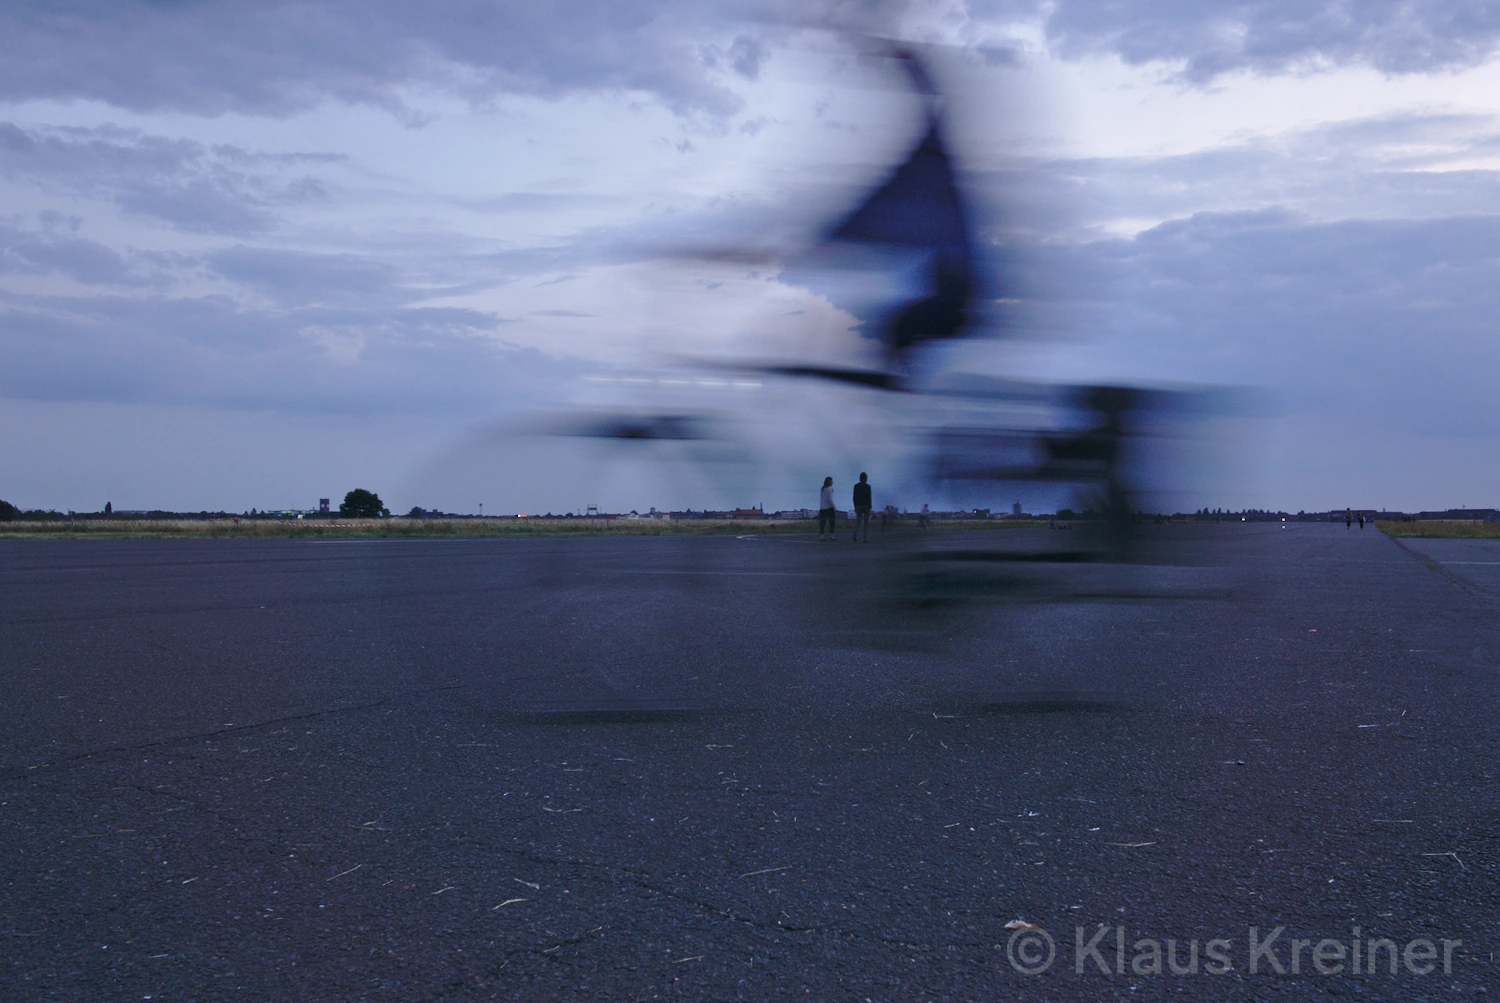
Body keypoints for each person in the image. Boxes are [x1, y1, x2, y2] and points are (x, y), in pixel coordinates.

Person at [852, 472, 873, 542]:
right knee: (866, 522)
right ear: (866, 479)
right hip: (866, 505)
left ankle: (856, 531)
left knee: (858, 521)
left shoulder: (856, 486)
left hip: (858, 505)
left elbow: (854, 497)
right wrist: (870, 507)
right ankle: (865, 538)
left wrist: (855, 506)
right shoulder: (868, 487)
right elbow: (869, 497)